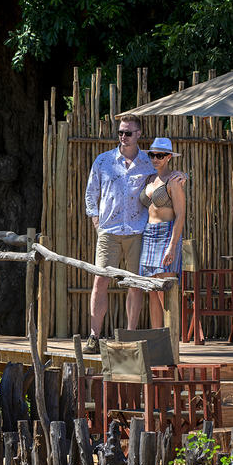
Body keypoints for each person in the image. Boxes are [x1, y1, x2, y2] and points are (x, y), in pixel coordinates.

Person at [83, 117, 185, 354]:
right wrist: (96, 222)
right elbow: (91, 193)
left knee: (136, 285)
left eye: (128, 133)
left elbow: (167, 176)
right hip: (109, 231)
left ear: (139, 134)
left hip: (138, 232)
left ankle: (130, 334)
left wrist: (183, 175)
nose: (123, 137)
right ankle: (93, 337)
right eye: (120, 132)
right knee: (100, 282)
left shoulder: (148, 163)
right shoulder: (104, 161)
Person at [136, 137, 187, 329]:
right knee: (151, 290)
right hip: (148, 234)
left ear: (168, 157)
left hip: (166, 234)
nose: (155, 158)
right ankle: (157, 338)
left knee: (165, 290)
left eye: (160, 155)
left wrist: (172, 246)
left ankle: (171, 339)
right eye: (152, 155)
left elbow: (181, 215)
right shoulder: (149, 179)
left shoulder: (174, 181)